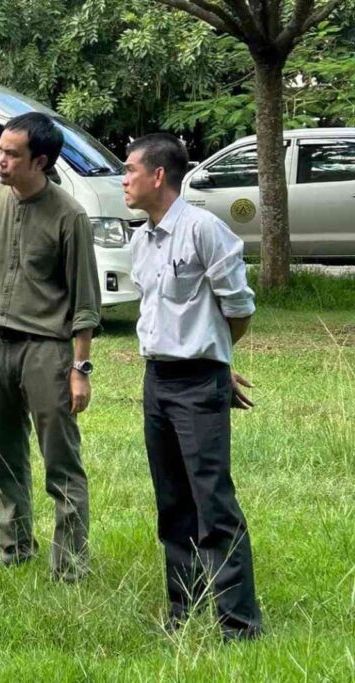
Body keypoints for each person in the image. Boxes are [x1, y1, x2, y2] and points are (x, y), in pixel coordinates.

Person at [123, 133, 262, 640]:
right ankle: (183, 609)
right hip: (156, 380)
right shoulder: (141, 241)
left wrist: (215, 360)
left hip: (198, 383)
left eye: (130, 170)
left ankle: (239, 623)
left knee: (212, 501)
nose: (123, 180)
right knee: (172, 502)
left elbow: (238, 309)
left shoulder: (204, 230)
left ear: (158, 175)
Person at [0, 112, 101, 582]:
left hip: (47, 351)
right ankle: (14, 549)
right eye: (0, 151)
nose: (0, 160)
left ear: (40, 161)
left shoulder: (69, 216)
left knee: (61, 462)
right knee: (6, 457)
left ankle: (69, 566)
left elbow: (85, 303)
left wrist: (80, 369)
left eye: (12, 154)